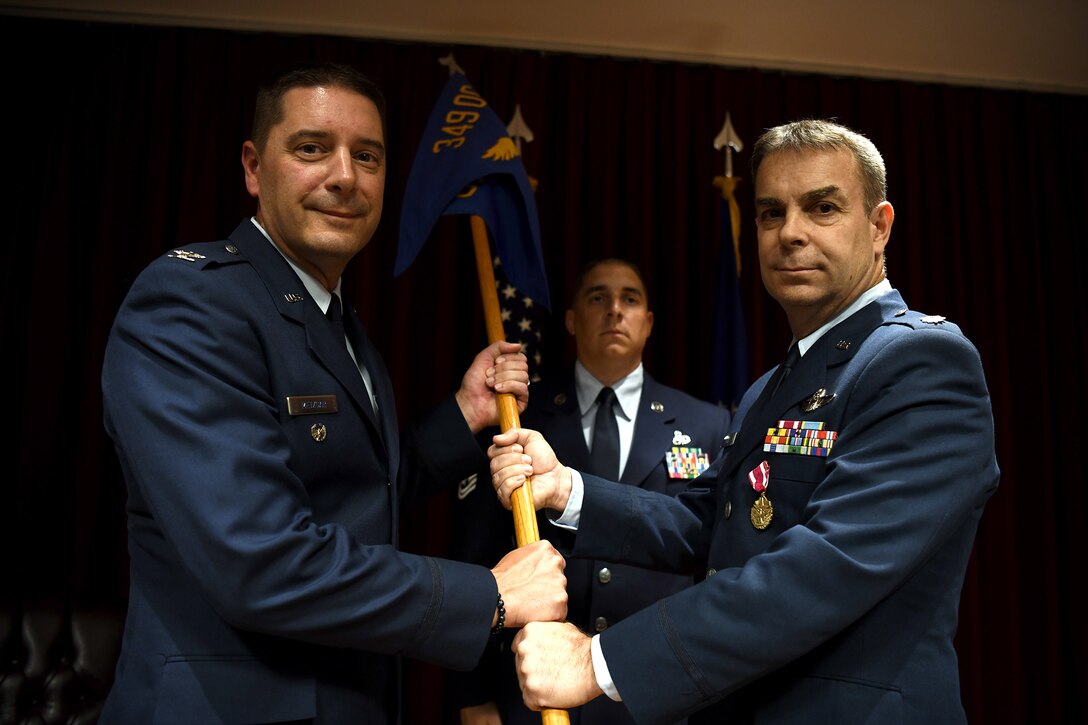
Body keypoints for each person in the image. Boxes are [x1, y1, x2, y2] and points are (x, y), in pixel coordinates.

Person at [99, 61, 567, 724]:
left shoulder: (341, 324)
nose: (345, 176)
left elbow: (355, 499)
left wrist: (464, 415)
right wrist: (488, 595)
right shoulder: (190, 303)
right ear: (254, 167)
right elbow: (260, 558)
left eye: (367, 156)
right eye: (312, 148)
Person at [488, 119, 1000, 724]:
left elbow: (824, 570)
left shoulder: (923, 361)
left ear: (879, 226)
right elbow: (711, 522)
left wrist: (598, 662)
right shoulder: (772, 387)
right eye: (770, 213)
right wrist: (566, 489)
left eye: (823, 208)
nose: (791, 232)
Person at [451, 259, 731, 724]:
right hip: (535, 698)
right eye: (598, 297)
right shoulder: (517, 415)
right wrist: (474, 698)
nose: (614, 310)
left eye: (630, 299)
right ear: (571, 320)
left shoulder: (708, 424)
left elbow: (712, 568)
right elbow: (476, 555)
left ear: (649, 323)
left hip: (657, 699)